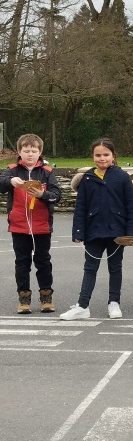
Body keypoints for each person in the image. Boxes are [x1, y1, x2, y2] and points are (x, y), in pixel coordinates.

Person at [61, 139, 133, 320]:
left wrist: (132, 232)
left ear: (113, 155)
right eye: (98, 155)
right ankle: (82, 306)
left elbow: (131, 206)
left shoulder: (122, 177)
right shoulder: (87, 178)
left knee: (115, 268)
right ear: (93, 156)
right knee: (90, 268)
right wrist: (78, 231)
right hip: (93, 231)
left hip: (117, 232)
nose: (102, 158)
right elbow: (80, 207)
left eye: (106, 154)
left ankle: (114, 303)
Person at [0, 134, 62, 314]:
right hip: (19, 226)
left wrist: (42, 195)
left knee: (43, 262)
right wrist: (10, 181)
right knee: (22, 263)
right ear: (19, 152)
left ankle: (46, 297)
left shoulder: (47, 172)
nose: (30, 154)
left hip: (42, 226)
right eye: (26, 150)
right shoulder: (12, 170)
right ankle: (24, 298)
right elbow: (1, 184)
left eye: (34, 151)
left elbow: (56, 195)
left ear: (39, 152)